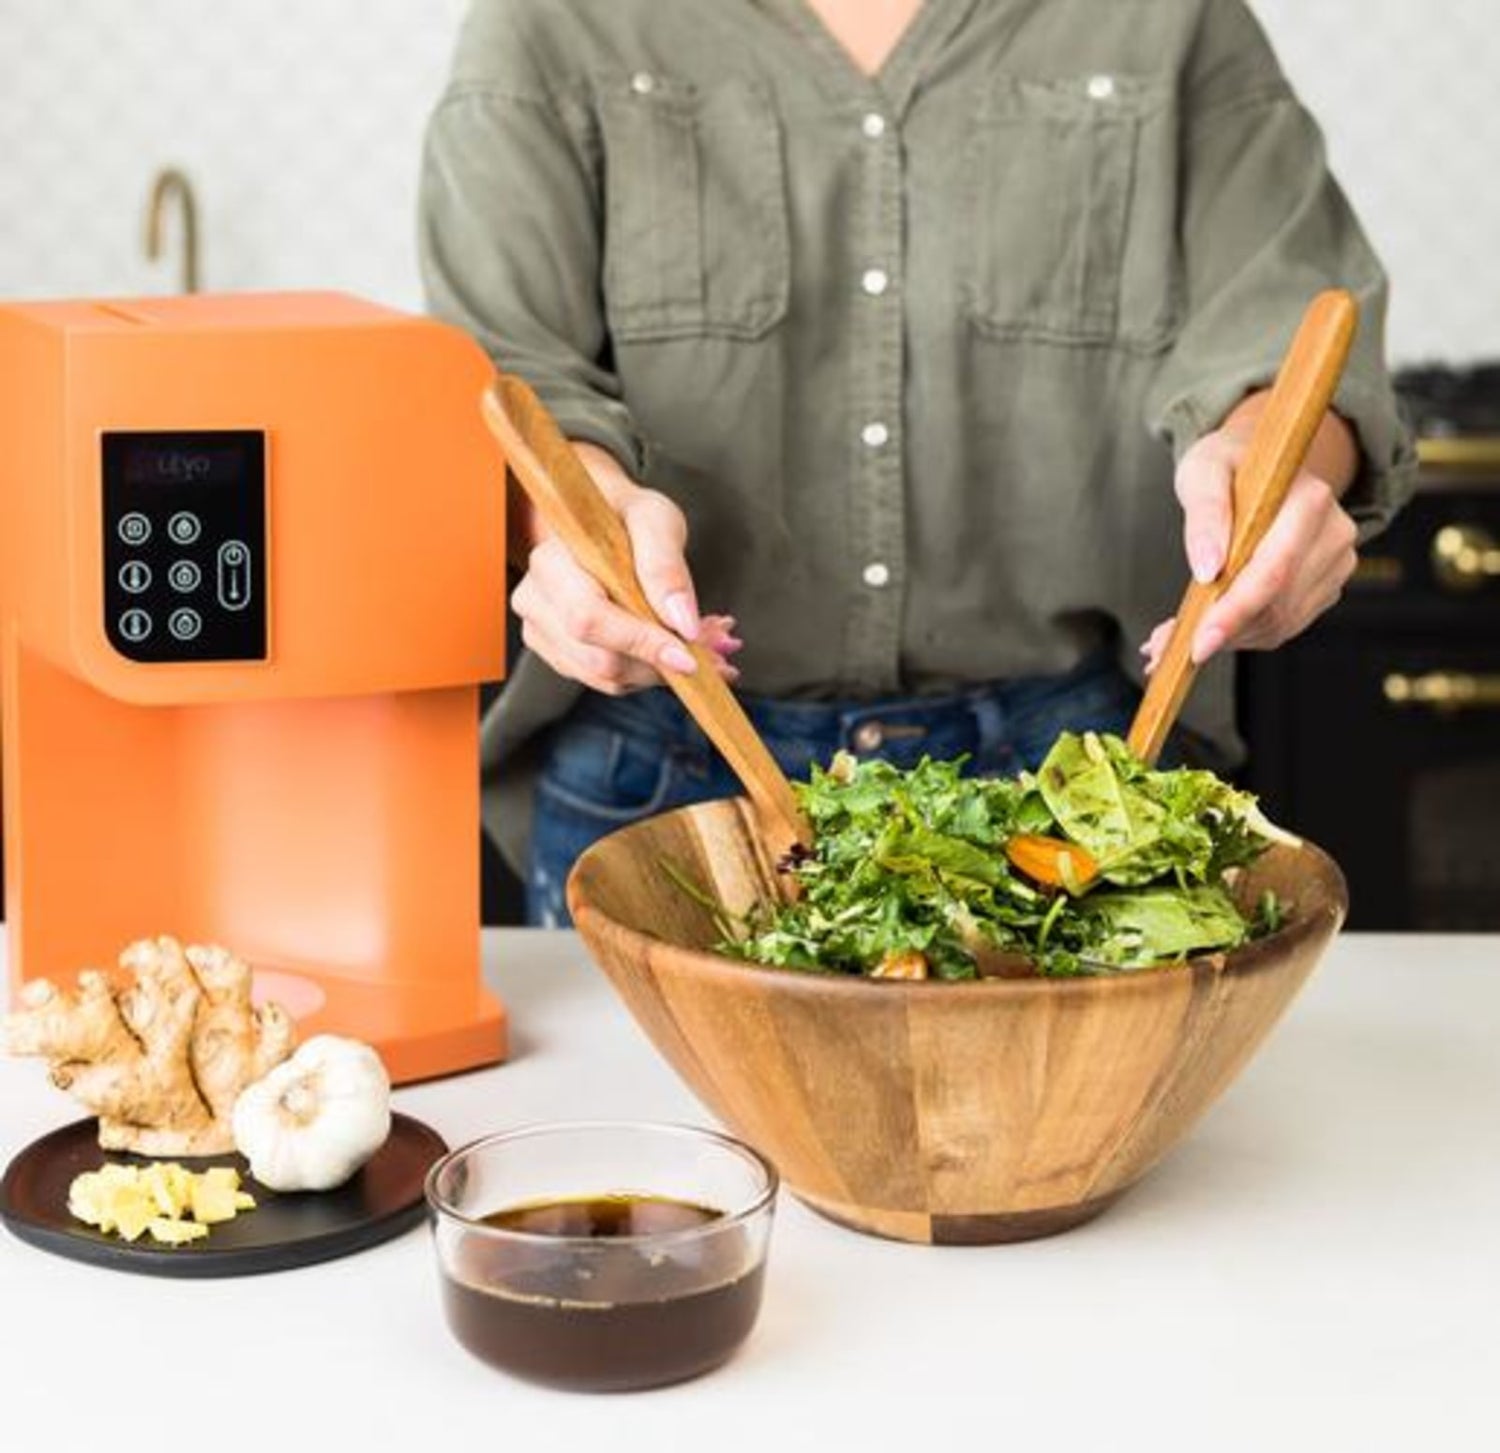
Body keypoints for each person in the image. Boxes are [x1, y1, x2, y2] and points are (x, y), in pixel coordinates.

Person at [419, 0, 1416, 927]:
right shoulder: (549, 20)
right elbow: (512, 375)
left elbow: (1283, 331)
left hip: (1074, 774)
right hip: (658, 772)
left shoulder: (1174, 18)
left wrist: (1271, 466)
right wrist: (580, 521)